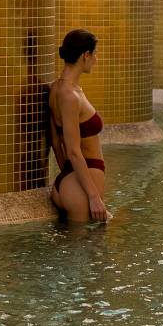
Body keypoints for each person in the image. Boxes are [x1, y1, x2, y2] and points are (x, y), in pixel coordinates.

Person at [48, 28, 110, 223]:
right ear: (85, 55)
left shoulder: (57, 88)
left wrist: (67, 176)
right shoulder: (70, 96)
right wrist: (92, 196)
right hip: (81, 189)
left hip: (72, 181)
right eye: (95, 54)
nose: (97, 59)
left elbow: (56, 142)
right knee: (88, 247)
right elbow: (73, 151)